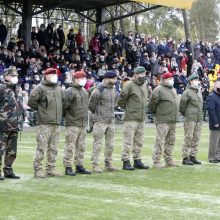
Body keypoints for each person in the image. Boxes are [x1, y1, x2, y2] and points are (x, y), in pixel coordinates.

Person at [28, 68, 63, 178]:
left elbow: (63, 103)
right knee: (41, 147)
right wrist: (42, 110)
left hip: (56, 122)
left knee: (54, 147)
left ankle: (51, 168)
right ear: (46, 76)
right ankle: (38, 169)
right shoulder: (40, 88)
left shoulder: (58, 89)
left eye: (55, 74)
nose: (54, 76)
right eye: (52, 74)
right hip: (44, 122)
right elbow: (31, 102)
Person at [117, 66, 149, 170]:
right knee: (128, 141)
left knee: (139, 141)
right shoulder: (129, 85)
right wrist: (129, 109)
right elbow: (121, 100)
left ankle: (137, 160)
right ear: (136, 74)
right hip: (131, 117)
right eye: (141, 74)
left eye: (144, 74)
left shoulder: (144, 85)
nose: (143, 76)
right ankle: (125, 161)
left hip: (141, 117)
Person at [89, 71, 119, 173]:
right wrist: (97, 114)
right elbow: (91, 105)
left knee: (110, 144)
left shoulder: (113, 89)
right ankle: (95, 164)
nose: (115, 81)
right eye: (113, 79)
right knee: (98, 143)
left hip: (111, 120)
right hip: (100, 120)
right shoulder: (98, 90)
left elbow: (114, 102)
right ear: (107, 78)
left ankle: (108, 163)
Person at [63, 70, 91, 176]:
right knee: (70, 146)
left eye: (84, 78)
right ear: (75, 79)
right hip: (72, 123)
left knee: (81, 146)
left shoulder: (84, 91)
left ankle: (79, 165)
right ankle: (68, 166)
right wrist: (69, 117)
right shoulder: (69, 91)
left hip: (82, 123)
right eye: (81, 78)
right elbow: (64, 106)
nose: (84, 80)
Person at [148, 72, 179, 168]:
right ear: (165, 79)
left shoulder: (173, 89)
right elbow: (152, 105)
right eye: (170, 78)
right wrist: (159, 114)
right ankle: (156, 161)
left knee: (171, 141)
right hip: (163, 119)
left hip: (172, 120)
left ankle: (169, 159)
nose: (172, 80)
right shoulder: (158, 90)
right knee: (160, 141)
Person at [0, 67, 22, 180]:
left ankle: (8, 170)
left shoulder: (16, 89)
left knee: (12, 150)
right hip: (2, 125)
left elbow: (18, 106)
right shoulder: (1, 88)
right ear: (6, 76)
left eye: (16, 76)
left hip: (14, 125)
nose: (15, 78)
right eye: (13, 76)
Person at [179, 74, 203, 165]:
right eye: (195, 80)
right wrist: (186, 114)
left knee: (196, 138)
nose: (197, 81)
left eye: (198, 79)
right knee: (188, 137)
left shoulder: (198, 91)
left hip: (198, 118)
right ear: (191, 81)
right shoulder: (187, 92)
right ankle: (185, 157)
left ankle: (193, 156)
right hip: (190, 118)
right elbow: (182, 106)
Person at [207, 80, 220, 163]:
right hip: (215, 123)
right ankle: (211, 157)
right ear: (215, 87)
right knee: (214, 142)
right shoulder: (212, 96)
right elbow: (211, 110)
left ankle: (218, 156)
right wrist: (215, 122)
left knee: (219, 142)